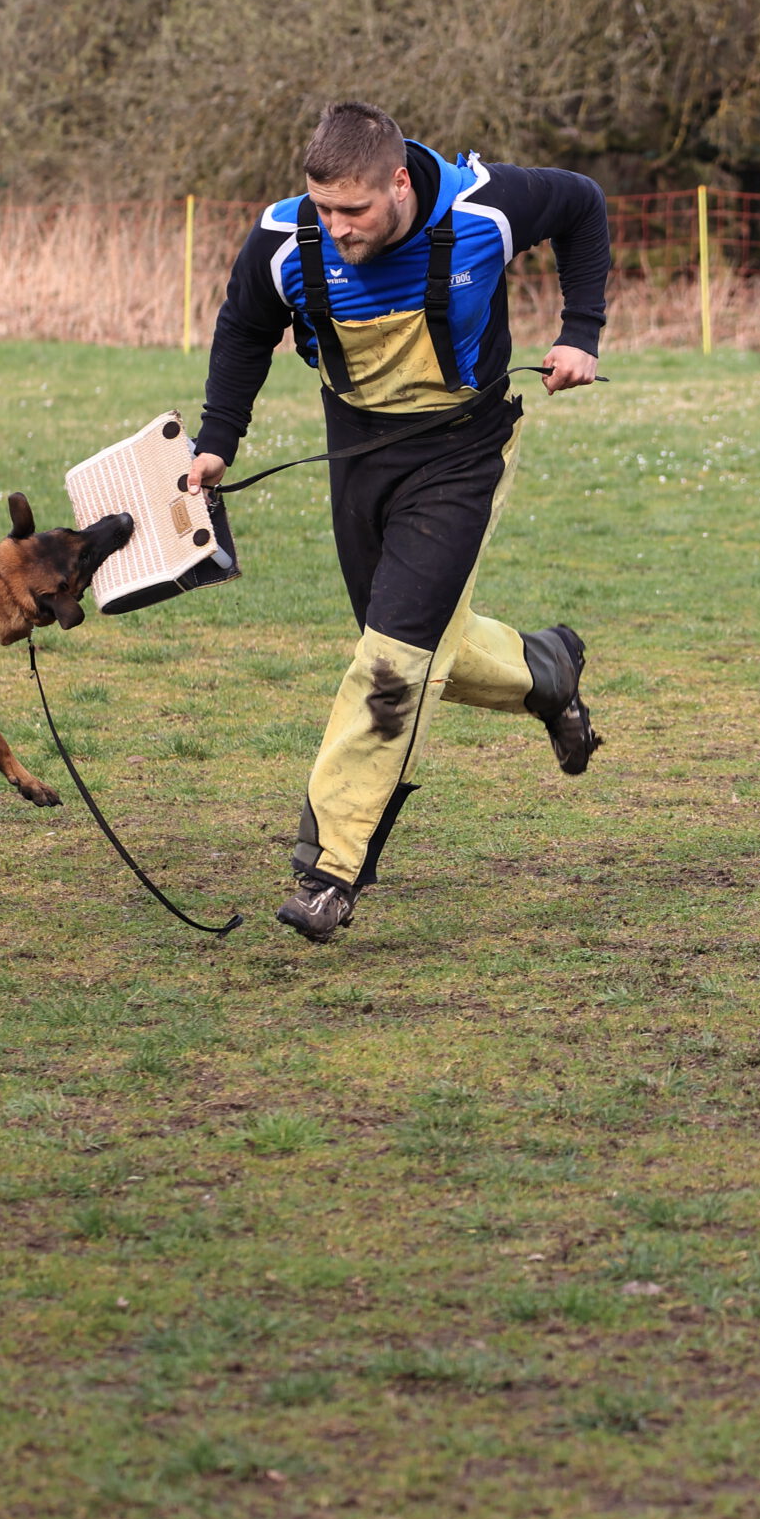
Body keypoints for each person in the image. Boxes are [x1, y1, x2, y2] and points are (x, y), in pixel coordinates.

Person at [186, 101, 610, 943]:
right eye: (323, 208)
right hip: (357, 454)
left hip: (464, 452)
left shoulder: (486, 208)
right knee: (408, 643)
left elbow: (583, 204)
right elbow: (242, 330)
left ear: (400, 184)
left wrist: (581, 331)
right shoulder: (282, 242)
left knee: (392, 659)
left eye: (354, 209)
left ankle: (331, 866)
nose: (337, 227)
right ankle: (547, 671)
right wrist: (215, 444)